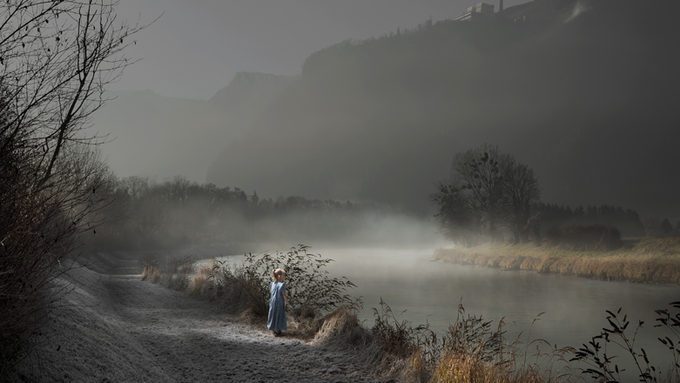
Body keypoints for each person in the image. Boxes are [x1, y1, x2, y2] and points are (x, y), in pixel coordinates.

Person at [267, 268, 287, 336]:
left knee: (273, 314)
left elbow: (271, 293)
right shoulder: (282, 284)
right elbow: (284, 295)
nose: (284, 277)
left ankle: (273, 330)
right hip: (279, 302)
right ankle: (278, 329)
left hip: (272, 302)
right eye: (284, 275)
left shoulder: (272, 284)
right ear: (279, 276)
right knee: (279, 315)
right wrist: (286, 302)